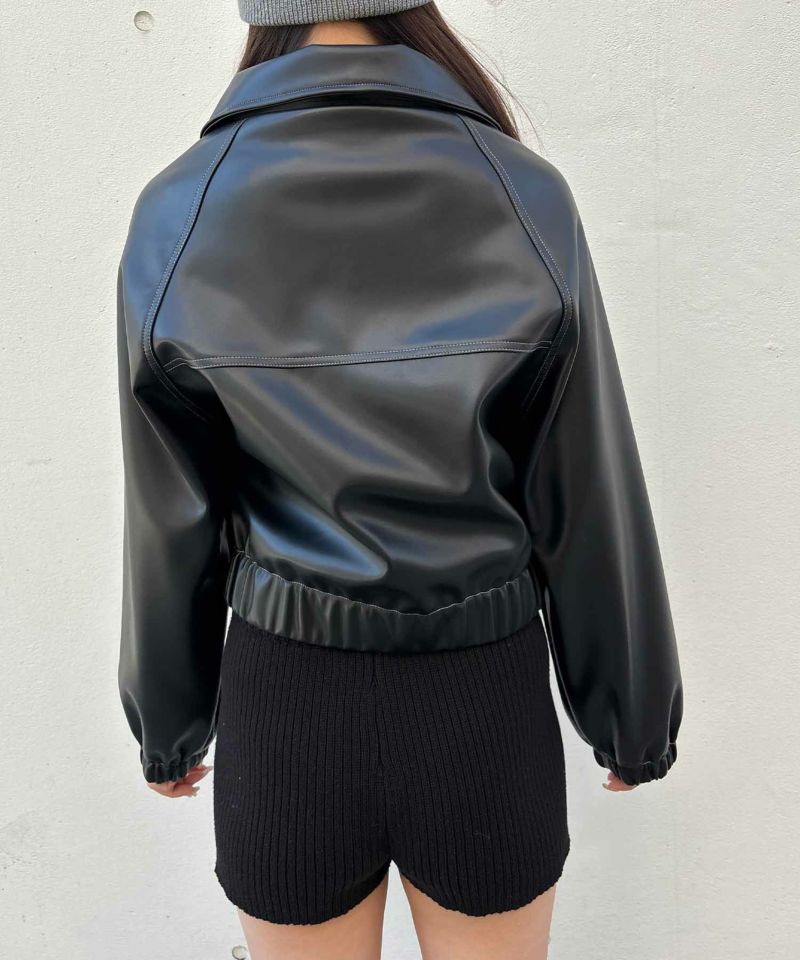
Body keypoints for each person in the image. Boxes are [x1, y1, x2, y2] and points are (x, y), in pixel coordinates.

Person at [115, 2, 683, 957]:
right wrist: (632, 715)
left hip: (287, 701)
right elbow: (585, 483)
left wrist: (169, 720)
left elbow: (168, 506)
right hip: (481, 695)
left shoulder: (180, 208)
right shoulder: (519, 190)